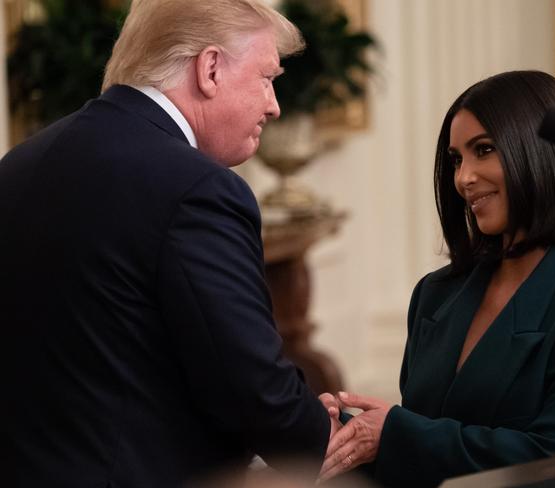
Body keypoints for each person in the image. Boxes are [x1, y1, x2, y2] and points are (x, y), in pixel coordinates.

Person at [0, 1, 336, 487]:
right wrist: (327, 437)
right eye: (267, 78)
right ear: (211, 69)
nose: (274, 104)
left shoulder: (19, 162)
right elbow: (253, 390)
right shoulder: (197, 188)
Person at [318, 71, 555, 487]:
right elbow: (419, 452)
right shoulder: (435, 293)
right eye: (457, 158)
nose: (463, 178)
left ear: (540, 152)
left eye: (484, 150)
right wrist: (343, 433)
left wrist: (394, 433)